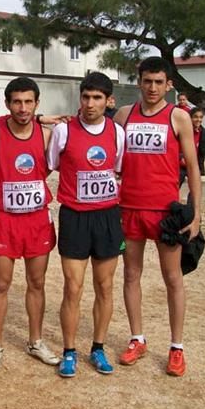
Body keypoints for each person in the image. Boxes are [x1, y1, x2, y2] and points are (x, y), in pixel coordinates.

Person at [113, 56, 201, 377]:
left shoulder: (178, 117)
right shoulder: (124, 115)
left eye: (158, 82)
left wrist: (197, 214)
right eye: (147, 81)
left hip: (165, 212)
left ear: (168, 84)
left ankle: (177, 347)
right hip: (130, 209)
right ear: (139, 81)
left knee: (173, 278)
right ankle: (137, 338)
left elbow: (192, 168)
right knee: (131, 275)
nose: (152, 88)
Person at [0, 77, 60, 372]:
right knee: (1, 283)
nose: (22, 108)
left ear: (37, 103)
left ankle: (35, 341)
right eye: (16, 102)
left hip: (37, 219)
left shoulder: (48, 135)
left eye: (28, 102)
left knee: (37, 283)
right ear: (7, 104)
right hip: (5, 221)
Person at [48, 72, 125, 378]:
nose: (90, 104)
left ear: (109, 101)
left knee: (105, 286)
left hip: (106, 216)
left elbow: (118, 169)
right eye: (86, 97)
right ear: (79, 98)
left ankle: (98, 347)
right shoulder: (64, 132)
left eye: (97, 98)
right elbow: (51, 164)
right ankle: (69, 352)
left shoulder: (118, 133)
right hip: (74, 217)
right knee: (73, 287)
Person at [179, 107, 205, 187]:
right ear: (190, 118)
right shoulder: (182, 131)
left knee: (195, 189)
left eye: (200, 117)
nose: (198, 119)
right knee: (174, 187)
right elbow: (174, 148)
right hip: (180, 166)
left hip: (195, 165)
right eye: (195, 117)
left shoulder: (203, 132)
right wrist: (181, 157)